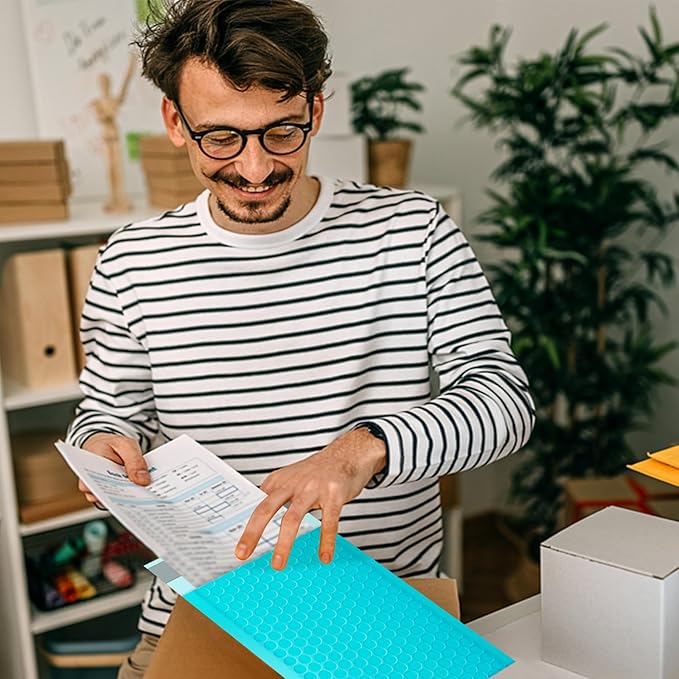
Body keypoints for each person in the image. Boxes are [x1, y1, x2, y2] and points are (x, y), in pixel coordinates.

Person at [67, 1, 535, 676]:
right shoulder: (131, 260)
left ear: (315, 111)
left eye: (281, 132)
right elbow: (109, 412)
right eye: (220, 138)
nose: (255, 169)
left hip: (382, 613)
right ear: (174, 121)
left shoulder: (413, 231)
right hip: (204, 613)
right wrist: (100, 444)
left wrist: (360, 450)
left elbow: (505, 404)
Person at [90, 54, 136, 213]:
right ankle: (112, 197)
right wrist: (107, 113)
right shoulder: (97, 102)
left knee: (118, 168)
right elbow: (100, 117)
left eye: (106, 82)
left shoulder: (112, 100)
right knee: (109, 169)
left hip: (115, 137)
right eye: (102, 82)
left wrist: (131, 67)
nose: (104, 85)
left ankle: (121, 197)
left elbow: (124, 86)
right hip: (106, 138)